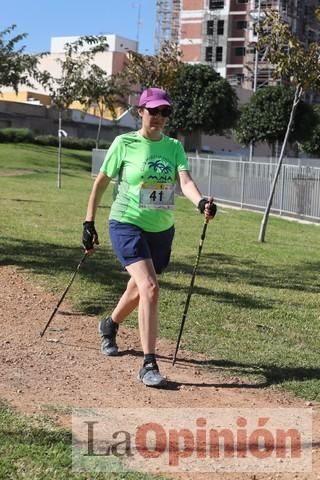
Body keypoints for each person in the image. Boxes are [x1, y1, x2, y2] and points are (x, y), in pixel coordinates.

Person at [82, 87, 216, 388]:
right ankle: (149, 363)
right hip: (126, 222)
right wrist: (89, 221)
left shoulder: (173, 147)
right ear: (140, 111)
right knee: (150, 287)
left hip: (162, 229)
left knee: (139, 288)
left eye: (164, 112)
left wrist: (200, 203)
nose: (158, 117)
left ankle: (110, 324)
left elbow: (185, 181)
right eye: (153, 110)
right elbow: (101, 183)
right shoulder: (124, 143)